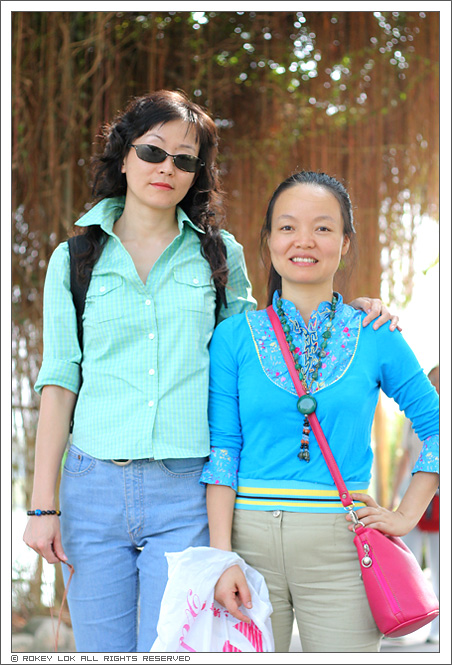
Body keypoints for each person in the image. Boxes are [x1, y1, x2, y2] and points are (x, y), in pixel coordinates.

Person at [23, 91, 398, 653]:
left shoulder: (219, 255)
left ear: (196, 173)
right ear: (124, 155)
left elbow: (261, 350)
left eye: (184, 159)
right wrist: (42, 506)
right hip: (90, 486)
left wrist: (353, 312)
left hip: (185, 493)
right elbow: (59, 383)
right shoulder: (74, 259)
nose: (166, 168)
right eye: (153, 151)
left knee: (171, 649)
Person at [201, 171, 439, 653]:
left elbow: (437, 425)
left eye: (323, 228)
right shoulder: (233, 337)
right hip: (247, 549)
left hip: (343, 549)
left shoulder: (375, 332)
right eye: (287, 227)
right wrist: (221, 558)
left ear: (345, 242)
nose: (304, 241)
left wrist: (406, 515)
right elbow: (223, 451)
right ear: (269, 240)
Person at [390, 365, 439, 644]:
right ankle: (403, 622)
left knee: (440, 562)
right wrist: (394, 495)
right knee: (404, 561)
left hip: (440, 498)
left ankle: (439, 628)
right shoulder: (412, 419)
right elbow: (404, 457)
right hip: (412, 497)